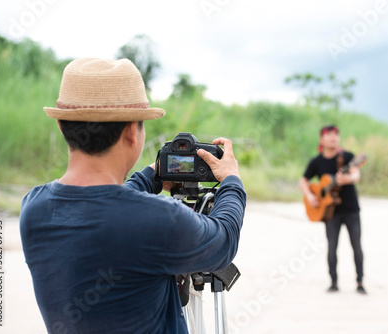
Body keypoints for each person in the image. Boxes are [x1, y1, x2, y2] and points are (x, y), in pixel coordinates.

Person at [19, 58, 246, 333]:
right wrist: (231, 180)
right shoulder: (160, 219)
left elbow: (104, 209)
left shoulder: (34, 209)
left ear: (61, 125)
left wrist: (153, 176)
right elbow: (224, 240)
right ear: (131, 132)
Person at [299, 125, 366, 294]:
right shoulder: (317, 161)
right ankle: (333, 282)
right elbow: (303, 180)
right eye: (329, 135)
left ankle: (360, 282)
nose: (333, 138)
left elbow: (356, 174)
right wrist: (309, 195)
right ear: (321, 139)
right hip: (330, 212)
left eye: (336, 134)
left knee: (356, 246)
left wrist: (348, 179)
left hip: (351, 209)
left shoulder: (348, 157)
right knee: (332, 247)